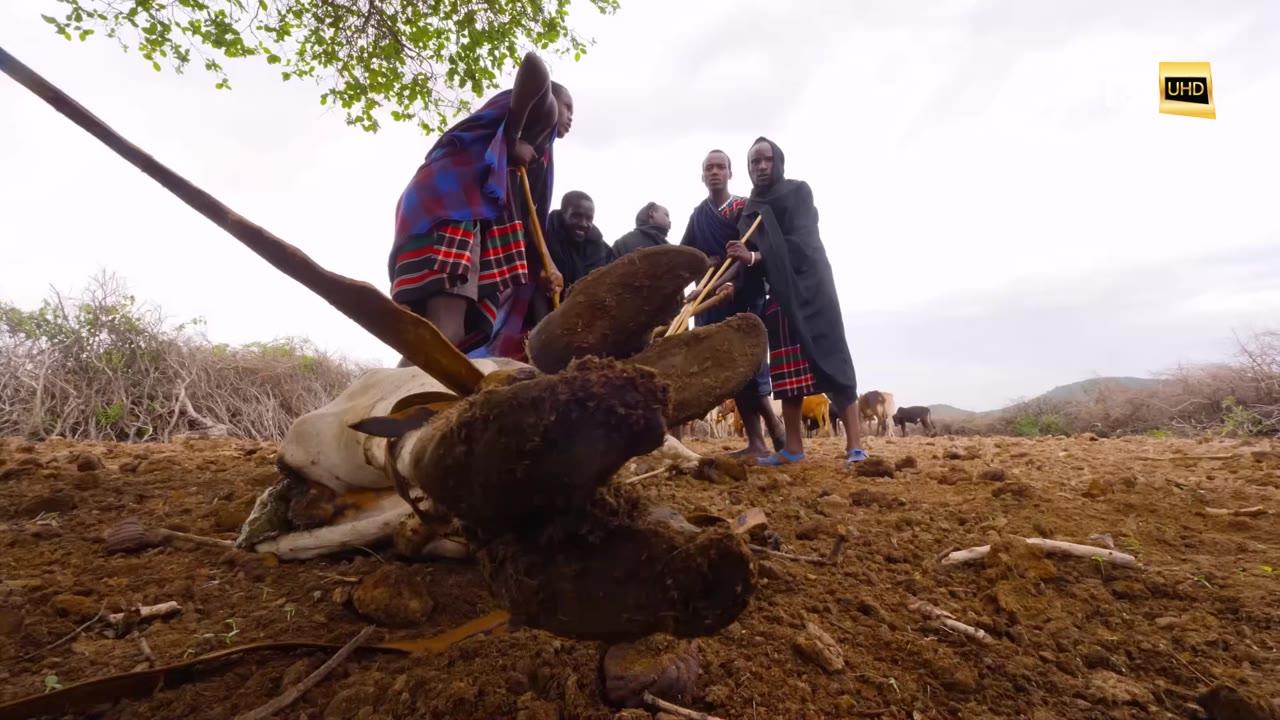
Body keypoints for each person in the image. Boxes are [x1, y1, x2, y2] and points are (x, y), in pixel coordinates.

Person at [388, 52, 566, 362]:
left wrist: (548, 264)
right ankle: (411, 399)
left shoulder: (539, 153)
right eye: (568, 107)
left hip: (436, 208)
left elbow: (530, 218)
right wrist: (512, 139)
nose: (570, 116)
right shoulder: (541, 120)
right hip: (453, 206)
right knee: (448, 330)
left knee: (439, 330)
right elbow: (534, 64)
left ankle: (392, 398)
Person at [725, 137, 866, 466]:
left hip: (813, 288)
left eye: (766, 160)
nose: (760, 167)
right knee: (788, 372)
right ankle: (792, 448)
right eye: (754, 163)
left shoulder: (798, 192)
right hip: (781, 295)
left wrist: (757, 255)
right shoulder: (750, 211)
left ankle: (855, 446)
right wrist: (731, 283)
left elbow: (804, 242)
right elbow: (748, 264)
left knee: (832, 360)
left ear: (778, 162)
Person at [679, 150, 785, 457]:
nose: (714, 172)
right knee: (729, 370)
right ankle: (757, 442)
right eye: (709, 168)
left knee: (749, 366)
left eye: (720, 167)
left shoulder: (744, 208)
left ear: (730, 173)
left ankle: (773, 432)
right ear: (702, 176)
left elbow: (749, 249)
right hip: (711, 298)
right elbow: (687, 253)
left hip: (742, 295)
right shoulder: (699, 214)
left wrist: (733, 280)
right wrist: (702, 266)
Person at [544, 190, 613, 293]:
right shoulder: (543, 235)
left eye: (589, 219)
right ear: (563, 213)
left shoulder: (601, 251)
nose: (583, 224)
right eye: (576, 216)